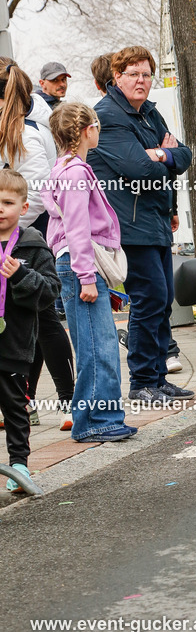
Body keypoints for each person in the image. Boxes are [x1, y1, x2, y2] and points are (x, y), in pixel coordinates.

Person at [88, 46, 194, 403]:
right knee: (149, 300)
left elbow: (184, 155)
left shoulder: (150, 114)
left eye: (146, 74)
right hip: (129, 226)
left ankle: (158, 378)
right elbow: (138, 169)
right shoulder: (109, 116)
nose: (141, 81)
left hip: (156, 220)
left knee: (163, 301)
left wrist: (162, 154)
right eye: (132, 74)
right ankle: (142, 382)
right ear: (116, 78)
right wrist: (161, 158)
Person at [41, 103, 138, 442]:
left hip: (76, 264)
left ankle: (98, 417)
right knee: (100, 348)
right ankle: (98, 420)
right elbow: (78, 229)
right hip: (81, 265)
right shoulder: (76, 173)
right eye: (96, 125)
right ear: (86, 130)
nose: (99, 130)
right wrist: (86, 278)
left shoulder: (62, 169)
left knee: (94, 345)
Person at [0, 58, 75, 428]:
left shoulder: (26, 133)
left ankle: (70, 403)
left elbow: (42, 196)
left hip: (30, 237)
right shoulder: (12, 128)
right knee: (26, 319)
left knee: (44, 319)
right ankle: (24, 400)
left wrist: (9, 233)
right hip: (15, 234)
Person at [0, 169, 60, 493]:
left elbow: (51, 291)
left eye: (7, 202)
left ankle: (19, 464)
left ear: (23, 208)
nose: (0, 208)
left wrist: (22, 277)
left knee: (14, 406)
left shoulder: (33, 246)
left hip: (16, 343)